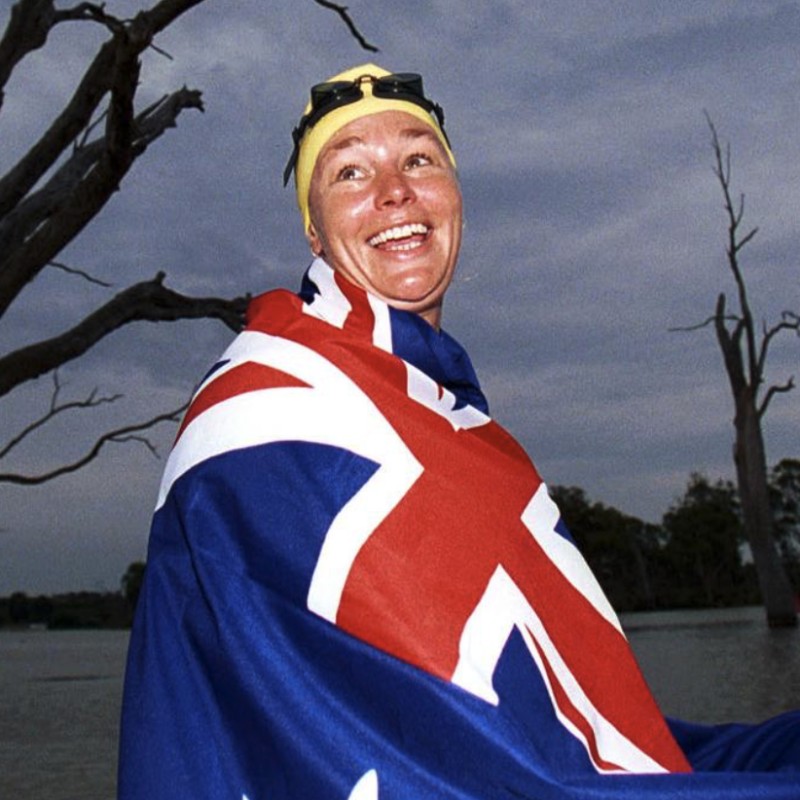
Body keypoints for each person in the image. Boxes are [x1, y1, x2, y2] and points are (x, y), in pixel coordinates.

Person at [118, 64, 799, 799]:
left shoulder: (454, 421)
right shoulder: (271, 412)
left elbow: (575, 731)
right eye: (351, 171)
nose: (395, 190)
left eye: (419, 160)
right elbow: (467, 773)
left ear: (455, 197)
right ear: (313, 230)